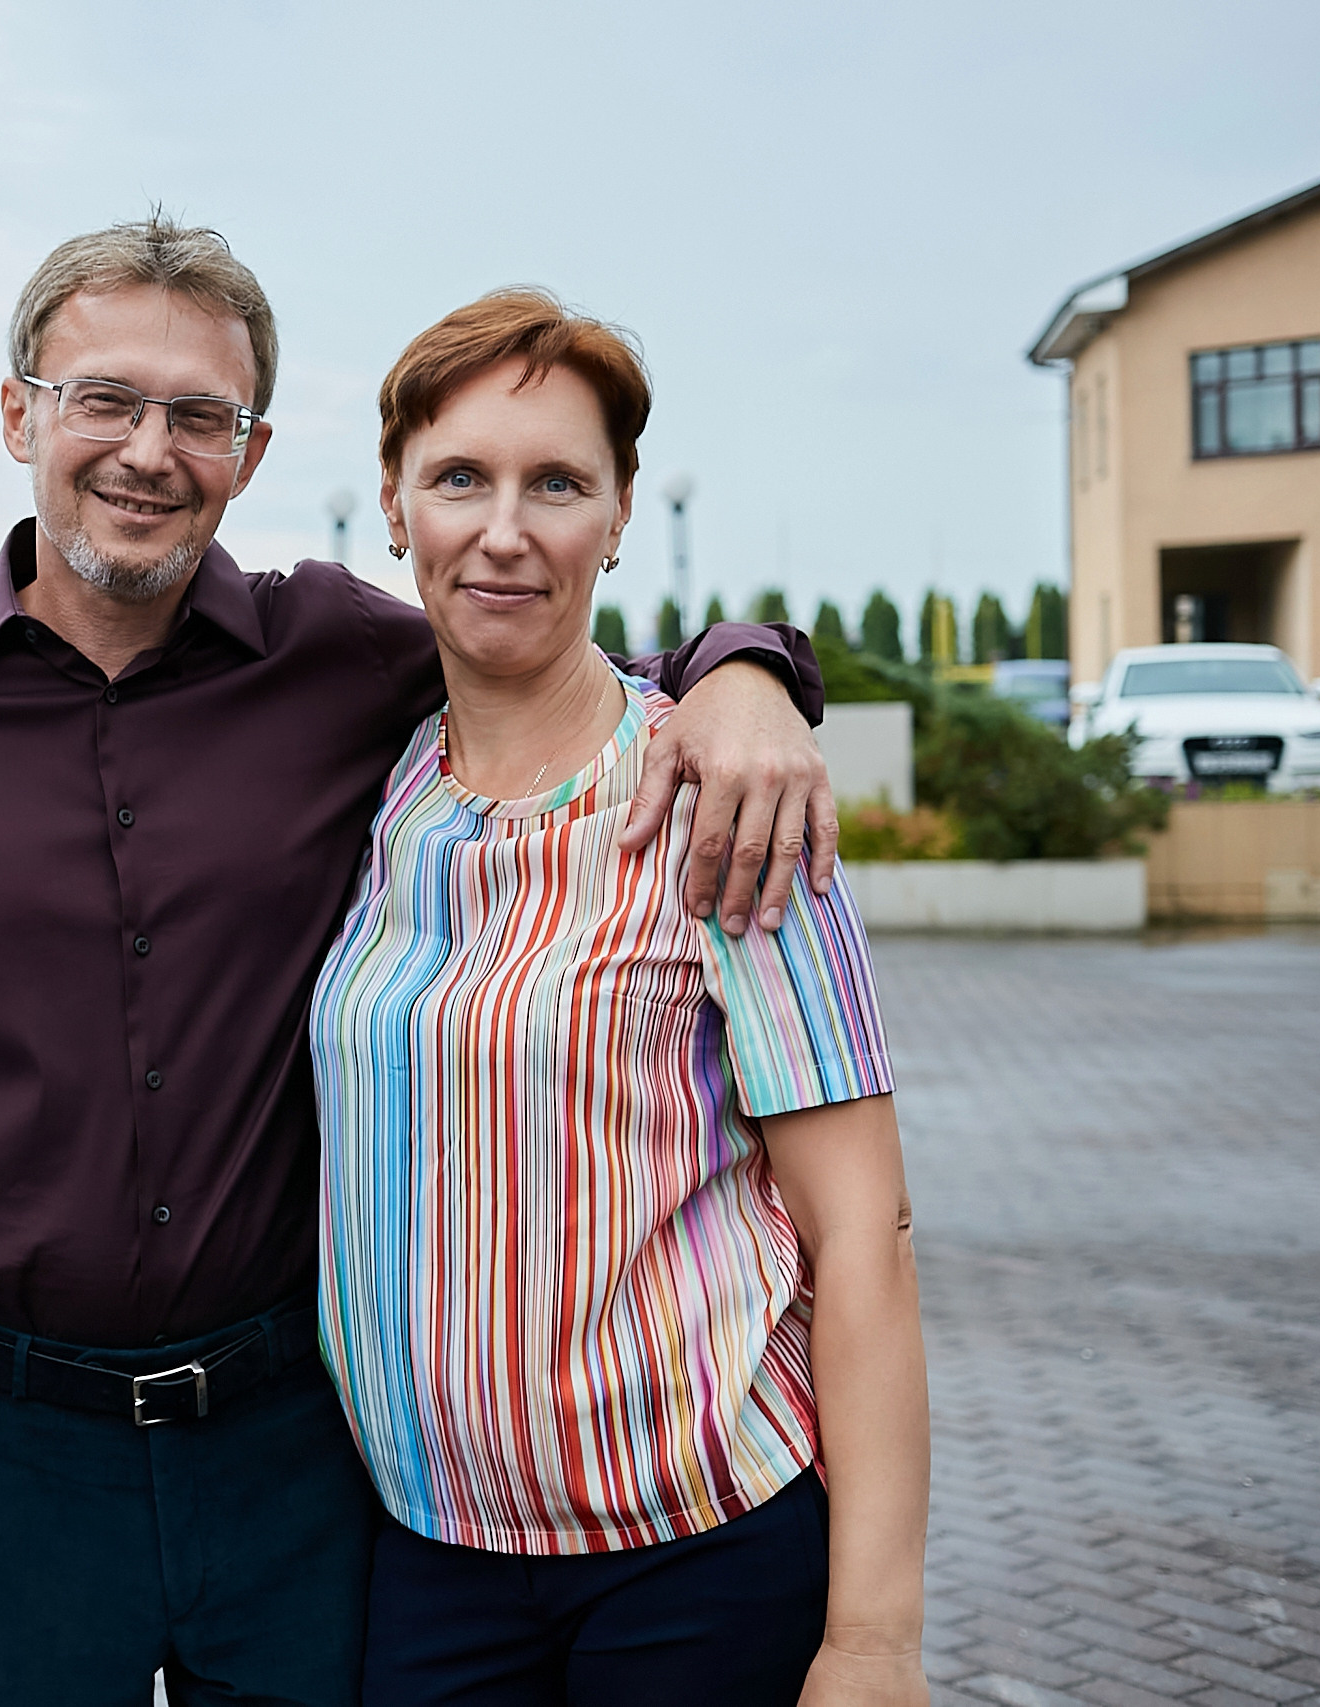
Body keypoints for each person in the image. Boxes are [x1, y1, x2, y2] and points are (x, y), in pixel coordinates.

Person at [0, 221, 839, 1704]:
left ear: (250, 453)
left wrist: (749, 671)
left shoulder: (335, 658)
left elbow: (553, 652)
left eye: (199, 415)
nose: (150, 450)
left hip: (288, 1448)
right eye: (105, 400)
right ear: (19, 415)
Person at [308, 289, 929, 1705]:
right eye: (459, 476)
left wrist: (875, 1642)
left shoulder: (727, 797)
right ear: (395, 506)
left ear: (621, 512)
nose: (505, 528)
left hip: (697, 1557)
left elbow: (864, 1233)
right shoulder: (376, 785)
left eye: (558, 483)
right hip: (428, 1554)